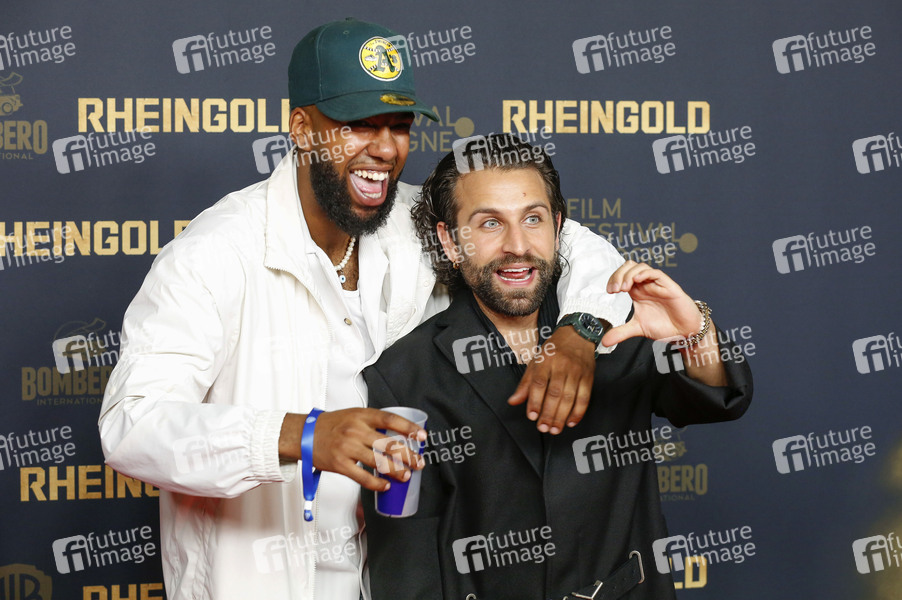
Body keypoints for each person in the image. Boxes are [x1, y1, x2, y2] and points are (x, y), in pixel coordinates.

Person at [98, 19, 632, 600]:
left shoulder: (415, 221)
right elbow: (132, 426)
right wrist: (303, 435)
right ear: (302, 128)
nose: (384, 148)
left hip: (395, 577)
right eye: (356, 126)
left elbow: (570, 243)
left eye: (398, 127)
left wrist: (580, 329)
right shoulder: (215, 254)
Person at [361, 134, 753, 600]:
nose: (517, 245)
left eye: (533, 219)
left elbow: (715, 401)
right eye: (490, 223)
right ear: (450, 241)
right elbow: (407, 563)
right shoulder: (402, 376)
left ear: (558, 227)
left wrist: (694, 334)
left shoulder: (620, 323)